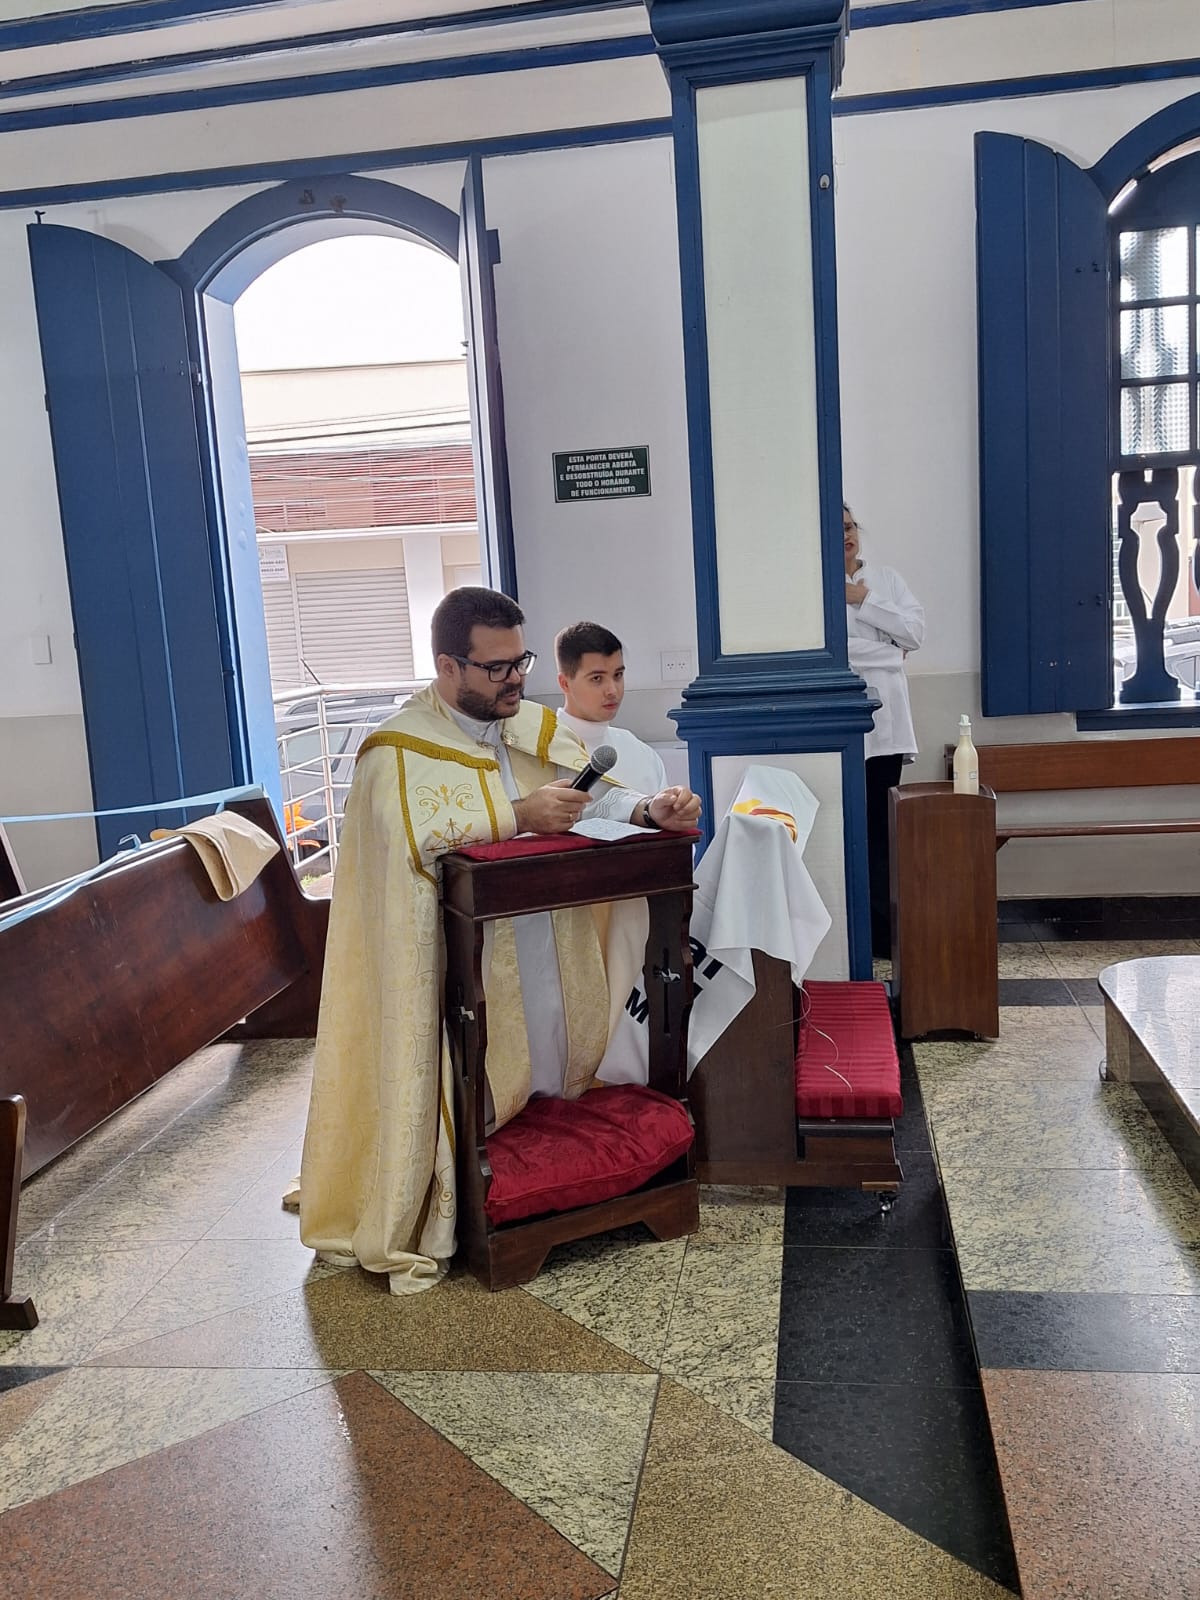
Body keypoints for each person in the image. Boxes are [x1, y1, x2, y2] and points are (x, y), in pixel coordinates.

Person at [298, 586, 701, 1294]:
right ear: (448, 667)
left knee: (547, 1054)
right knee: (476, 1071)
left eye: (522, 661)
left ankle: (543, 1143)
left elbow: (584, 795)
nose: (515, 679)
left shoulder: (529, 725)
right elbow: (409, 835)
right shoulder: (397, 748)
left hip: (543, 936)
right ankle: (453, 1180)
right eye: (496, 668)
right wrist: (517, 814)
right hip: (456, 960)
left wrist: (647, 808)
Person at [843, 502, 925, 958]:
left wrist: (863, 600)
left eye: (850, 526)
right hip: (847, 728)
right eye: (836, 530)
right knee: (852, 829)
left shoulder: (886, 580)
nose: (847, 535)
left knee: (883, 832)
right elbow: (839, 654)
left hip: (889, 729)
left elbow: (915, 633)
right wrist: (892, 655)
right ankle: (859, 931)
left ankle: (885, 932)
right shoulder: (816, 589)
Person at [554, 620, 669, 796]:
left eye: (618, 675)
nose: (612, 691)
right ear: (565, 683)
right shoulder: (543, 752)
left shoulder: (641, 753)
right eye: (597, 679)